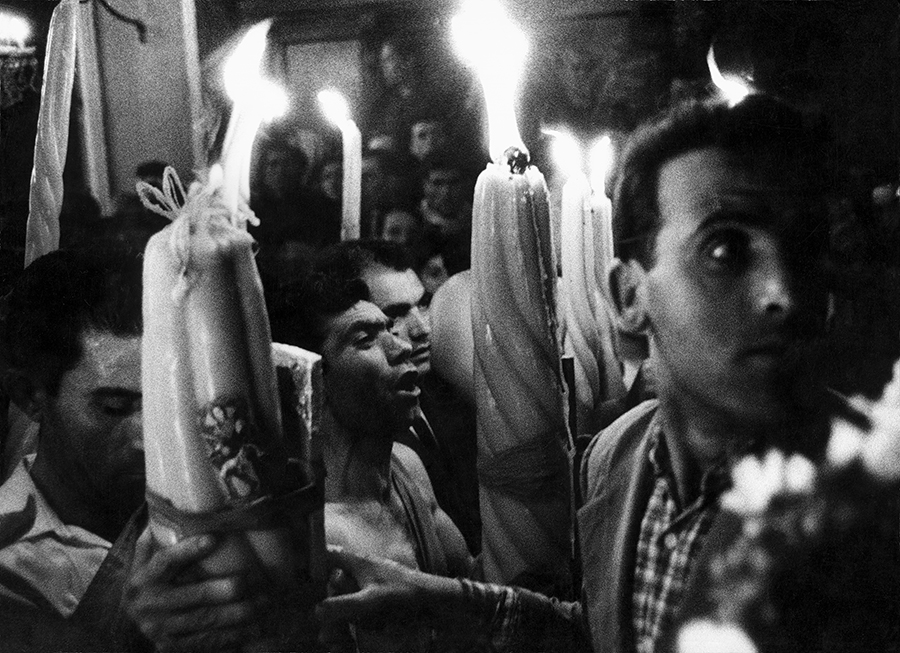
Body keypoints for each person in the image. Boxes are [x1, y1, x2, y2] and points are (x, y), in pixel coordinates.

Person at [315, 93, 862, 652]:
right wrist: (439, 600)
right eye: (725, 250)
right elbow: (608, 633)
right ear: (629, 295)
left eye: (804, 254)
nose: (784, 294)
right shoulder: (617, 459)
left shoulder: (866, 503)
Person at [0, 248, 270, 652]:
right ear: (30, 396)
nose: (150, 437)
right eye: (114, 408)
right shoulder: (11, 560)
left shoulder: (217, 508)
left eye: (170, 402)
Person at [267, 253, 475, 650]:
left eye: (388, 330)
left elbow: (474, 592)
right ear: (309, 379)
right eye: (364, 340)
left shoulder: (408, 470)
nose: (399, 347)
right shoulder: (310, 533)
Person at [317, 241, 481, 554]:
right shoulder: (363, 426)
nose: (421, 330)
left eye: (422, 304)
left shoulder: (446, 395)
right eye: (395, 317)